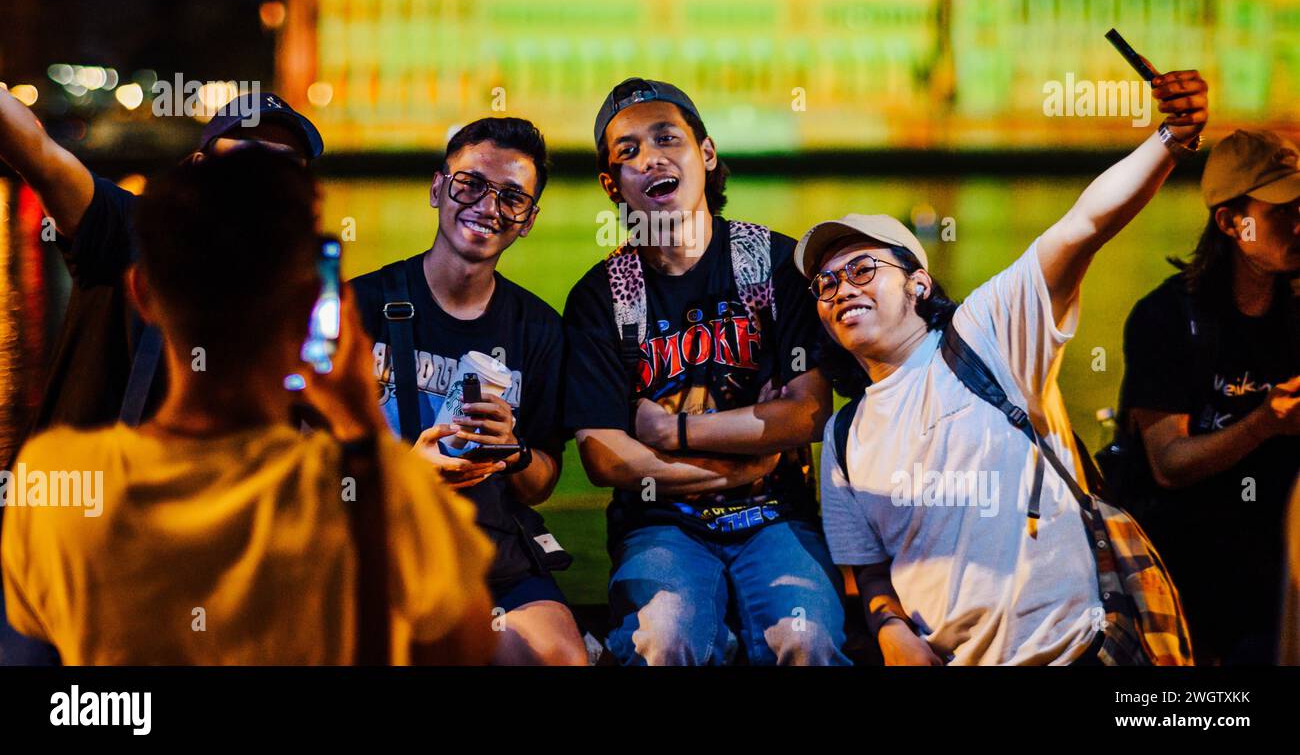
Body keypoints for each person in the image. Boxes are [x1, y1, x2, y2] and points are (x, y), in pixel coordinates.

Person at [0, 149, 495, 664]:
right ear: (315, 306)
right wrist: (361, 420)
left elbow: (34, 623)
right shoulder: (365, 490)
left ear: (142, 293)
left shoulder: (55, 477)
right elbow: (467, 647)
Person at [805, 65, 1209, 665]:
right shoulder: (842, 440)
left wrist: (1170, 139)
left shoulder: (988, 333)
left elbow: (1084, 225)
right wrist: (890, 630)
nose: (841, 289)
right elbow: (868, 574)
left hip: (1078, 650)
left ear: (918, 283)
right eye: (825, 283)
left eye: (863, 269)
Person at [563, 77, 849, 666]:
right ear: (610, 183)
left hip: (777, 518)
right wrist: (747, 450)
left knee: (807, 638)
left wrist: (673, 435)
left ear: (707, 153)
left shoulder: (773, 264)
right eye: (628, 152)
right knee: (663, 640)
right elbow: (604, 456)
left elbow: (806, 413)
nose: (651, 158)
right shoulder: (602, 296)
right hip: (659, 526)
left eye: (668, 138)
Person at [351, 117, 586, 666]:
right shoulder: (357, 307)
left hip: (489, 556)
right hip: (376, 549)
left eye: (513, 198)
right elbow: (307, 462)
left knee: (559, 656)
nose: (488, 207)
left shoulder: (540, 329)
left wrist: (513, 451)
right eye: (470, 184)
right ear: (438, 187)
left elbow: (541, 483)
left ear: (528, 220)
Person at [0, 86, 324, 441]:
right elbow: (42, 157)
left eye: (286, 165)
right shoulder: (133, 230)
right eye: (248, 156)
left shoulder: (296, 298)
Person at [1117, 128, 1300, 664]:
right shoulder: (1166, 318)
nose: (1298, 224)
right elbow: (1170, 463)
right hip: (1186, 566)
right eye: (1282, 211)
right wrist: (1264, 422)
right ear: (1229, 221)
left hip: (1277, 557)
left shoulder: (1295, 312)